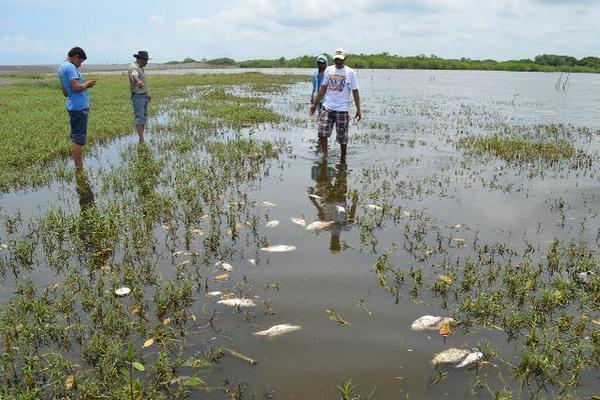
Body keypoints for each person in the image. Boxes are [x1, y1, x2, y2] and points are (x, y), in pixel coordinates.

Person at [309, 48, 361, 162]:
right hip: (327, 107)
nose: (338, 62)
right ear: (333, 59)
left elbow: (355, 91)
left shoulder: (350, 73)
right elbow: (323, 88)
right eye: (336, 59)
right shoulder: (328, 70)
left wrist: (358, 109)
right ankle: (325, 155)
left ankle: (343, 158)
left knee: (342, 138)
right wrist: (314, 104)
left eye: (340, 60)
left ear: (345, 59)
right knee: (322, 133)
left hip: (342, 109)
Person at [57, 47, 95, 169]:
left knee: (76, 136)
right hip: (78, 108)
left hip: (73, 105)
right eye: (80, 61)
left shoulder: (61, 67)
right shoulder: (70, 67)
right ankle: (79, 167)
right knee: (78, 139)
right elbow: (76, 87)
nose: (80, 65)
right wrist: (87, 84)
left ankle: (78, 165)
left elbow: (65, 92)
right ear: (75, 57)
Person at [128, 51, 151, 142]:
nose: (147, 62)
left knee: (143, 117)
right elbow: (134, 75)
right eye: (146, 60)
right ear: (141, 59)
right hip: (138, 97)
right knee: (139, 117)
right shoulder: (134, 67)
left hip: (143, 95)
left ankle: (141, 136)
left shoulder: (140, 67)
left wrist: (147, 94)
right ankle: (141, 139)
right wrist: (138, 81)